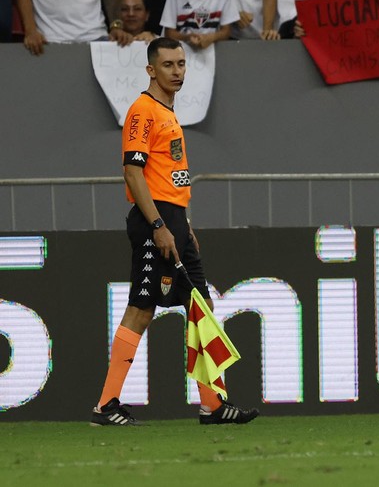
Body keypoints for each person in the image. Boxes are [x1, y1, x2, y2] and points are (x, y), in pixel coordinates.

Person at [91, 36, 259, 427]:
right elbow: (133, 172)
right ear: (151, 69)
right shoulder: (143, 111)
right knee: (141, 308)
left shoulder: (168, 112)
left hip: (175, 221)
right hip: (156, 223)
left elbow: (168, 176)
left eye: (181, 64)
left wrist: (185, 225)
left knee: (202, 305)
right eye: (168, 65)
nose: (177, 71)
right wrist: (160, 226)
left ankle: (213, 404)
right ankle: (106, 404)